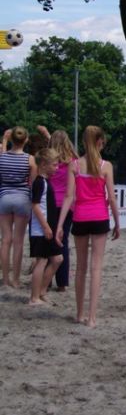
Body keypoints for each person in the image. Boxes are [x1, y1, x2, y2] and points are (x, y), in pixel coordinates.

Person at [56, 126, 120, 327]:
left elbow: (68, 197)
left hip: (81, 218)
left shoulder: (75, 165)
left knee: (81, 267)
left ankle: (79, 314)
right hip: (99, 217)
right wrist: (118, 223)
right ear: (100, 142)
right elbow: (112, 198)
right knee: (96, 267)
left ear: (84, 142)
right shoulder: (105, 166)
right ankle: (92, 317)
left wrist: (59, 225)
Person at [0, 127, 36, 288]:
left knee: (5, 240)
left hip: (4, 198)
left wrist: (4, 140)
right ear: (26, 140)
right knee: (18, 241)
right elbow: (32, 184)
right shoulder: (30, 159)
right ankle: (15, 279)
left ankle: (5, 279)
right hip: (22, 198)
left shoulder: (2, 158)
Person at [29, 148, 63, 305]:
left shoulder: (46, 182)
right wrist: (45, 227)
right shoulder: (39, 182)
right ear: (43, 164)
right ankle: (34, 297)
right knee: (41, 261)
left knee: (57, 259)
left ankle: (42, 291)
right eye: (54, 165)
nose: (57, 168)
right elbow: (35, 206)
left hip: (48, 229)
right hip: (40, 230)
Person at [48, 129, 78, 292]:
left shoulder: (48, 161)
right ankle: (62, 282)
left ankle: (46, 279)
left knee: (48, 240)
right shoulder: (73, 162)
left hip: (50, 203)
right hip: (68, 205)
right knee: (63, 241)